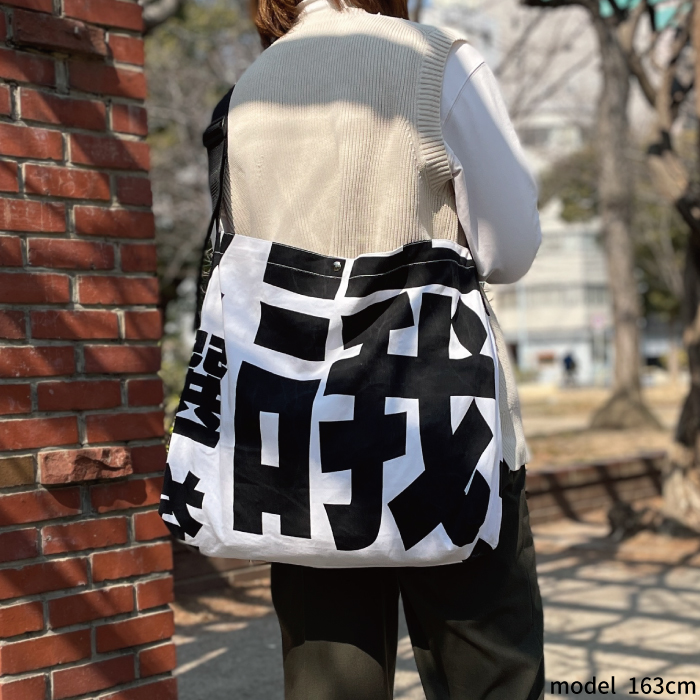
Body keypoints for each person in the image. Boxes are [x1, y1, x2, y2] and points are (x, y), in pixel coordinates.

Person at [226, 0, 544, 697]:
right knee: (488, 674)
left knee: (328, 683)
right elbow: (509, 249)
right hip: (446, 428)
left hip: (302, 446)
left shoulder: (251, 87)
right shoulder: (434, 61)